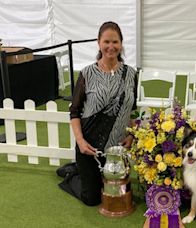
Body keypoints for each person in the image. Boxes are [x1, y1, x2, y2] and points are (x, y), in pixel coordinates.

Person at [57, 21, 137, 206]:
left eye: (115, 42)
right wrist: (81, 142)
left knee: (121, 194)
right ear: (98, 42)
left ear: (121, 43)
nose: (111, 47)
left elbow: (132, 111)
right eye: (106, 41)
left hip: (117, 150)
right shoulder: (87, 74)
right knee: (92, 199)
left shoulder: (131, 73)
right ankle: (73, 174)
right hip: (90, 147)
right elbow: (74, 111)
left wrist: (131, 135)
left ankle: (84, 172)